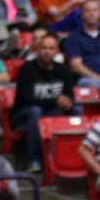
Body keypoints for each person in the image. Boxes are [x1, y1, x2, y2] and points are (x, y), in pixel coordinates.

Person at [11, 32, 81, 173]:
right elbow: (27, 98)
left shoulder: (63, 70)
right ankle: (33, 159)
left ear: (57, 51)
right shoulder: (27, 69)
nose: (47, 52)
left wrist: (68, 102)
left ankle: (77, 158)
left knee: (78, 110)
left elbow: (70, 96)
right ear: (38, 49)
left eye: (51, 48)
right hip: (24, 114)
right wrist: (56, 101)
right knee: (35, 111)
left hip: (52, 110)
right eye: (44, 48)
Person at [63, 0, 100, 87]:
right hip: (87, 79)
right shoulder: (74, 37)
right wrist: (98, 78)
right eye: (88, 11)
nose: (92, 14)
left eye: (95, 11)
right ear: (82, 14)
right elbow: (76, 67)